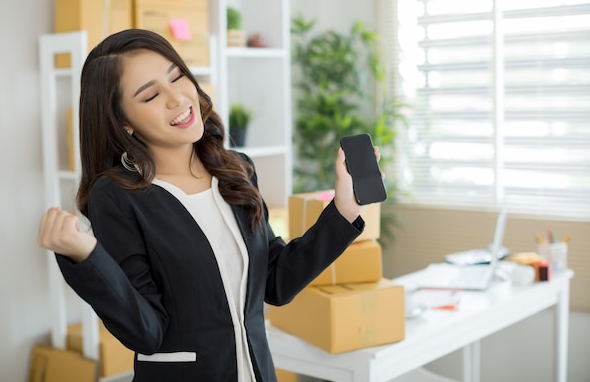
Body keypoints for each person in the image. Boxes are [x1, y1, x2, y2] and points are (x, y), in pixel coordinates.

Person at [37, 28, 378, 382]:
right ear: (123, 122)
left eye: (178, 76)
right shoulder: (117, 195)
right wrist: (86, 256)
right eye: (151, 95)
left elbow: (275, 281)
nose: (177, 98)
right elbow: (146, 331)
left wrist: (344, 210)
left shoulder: (236, 169)